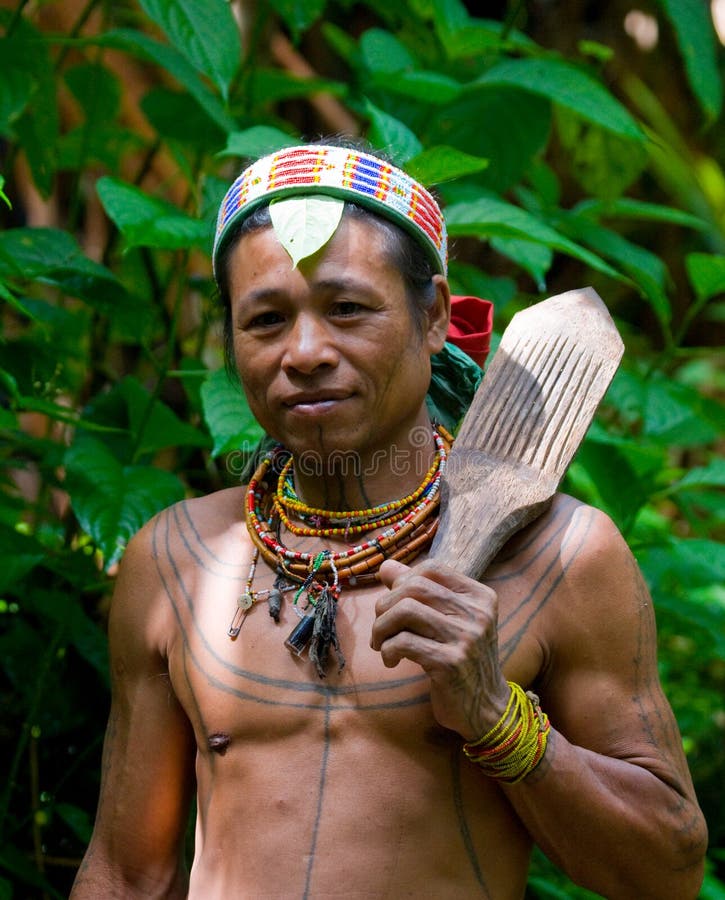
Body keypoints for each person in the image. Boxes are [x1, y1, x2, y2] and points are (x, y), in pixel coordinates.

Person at [71, 142, 707, 900]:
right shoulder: (174, 560)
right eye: (266, 320)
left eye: (346, 308)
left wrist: (498, 719)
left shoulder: (562, 557)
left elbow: (668, 871)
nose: (304, 352)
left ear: (433, 316)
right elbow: (124, 872)